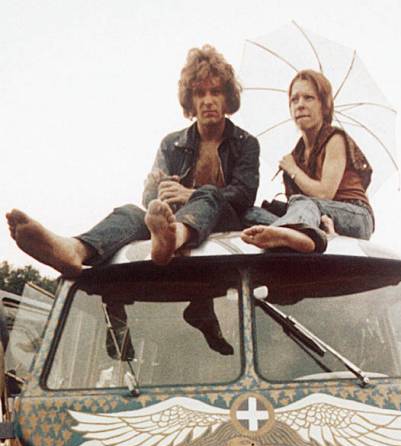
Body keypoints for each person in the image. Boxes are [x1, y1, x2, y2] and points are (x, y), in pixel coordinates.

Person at [6, 45, 260, 353]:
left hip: (224, 223)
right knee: (131, 212)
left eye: (216, 92)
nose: (208, 100)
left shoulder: (246, 143)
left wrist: (191, 194)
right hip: (169, 223)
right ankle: (75, 249)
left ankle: (173, 238)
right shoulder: (173, 143)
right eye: (200, 93)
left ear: (228, 97)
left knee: (208, 195)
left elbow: (245, 194)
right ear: (190, 100)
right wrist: (162, 191)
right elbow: (150, 197)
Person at [241, 69, 374, 254]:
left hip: (354, 214)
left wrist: (293, 170)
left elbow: (324, 193)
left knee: (303, 202)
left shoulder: (335, 139)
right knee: (249, 212)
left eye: (308, 98)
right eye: (294, 100)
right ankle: (313, 233)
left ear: (324, 106)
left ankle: (300, 233)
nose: (300, 105)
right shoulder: (298, 152)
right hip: (314, 213)